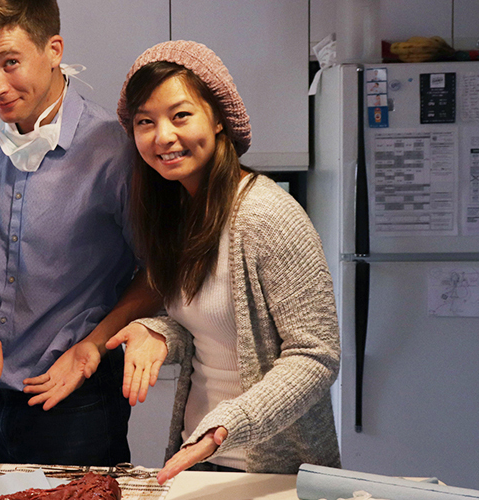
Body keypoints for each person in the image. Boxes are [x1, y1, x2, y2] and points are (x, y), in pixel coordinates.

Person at [0, 0, 161, 465]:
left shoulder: (114, 145)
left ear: (54, 49)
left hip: (79, 397)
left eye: (9, 63)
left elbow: (157, 271)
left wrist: (91, 346)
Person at [107, 41, 342, 482]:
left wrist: (224, 428)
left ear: (217, 118)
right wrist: (155, 331)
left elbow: (316, 356)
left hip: (274, 471)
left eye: (180, 115)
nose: (163, 136)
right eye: (145, 122)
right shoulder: (176, 215)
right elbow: (210, 330)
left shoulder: (267, 215)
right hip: (201, 463)